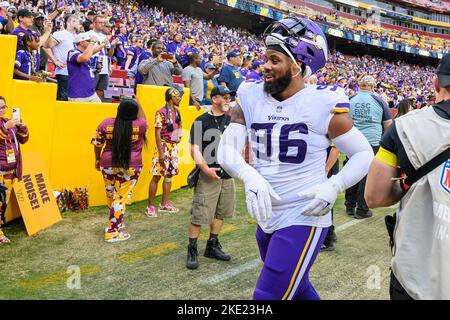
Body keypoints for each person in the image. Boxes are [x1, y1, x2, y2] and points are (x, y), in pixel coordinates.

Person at [217, 17, 373, 300]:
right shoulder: (251, 95)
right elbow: (226, 149)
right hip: (266, 213)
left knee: (267, 296)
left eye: (275, 59)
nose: (265, 65)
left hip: (304, 213)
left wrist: (334, 185)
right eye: (266, 57)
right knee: (298, 290)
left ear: (298, 66)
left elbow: (364, 153)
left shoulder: (322, 103)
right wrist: (249, 176)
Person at [365, 52, 450, 300]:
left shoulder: (404, 127)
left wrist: (408, 184)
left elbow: (374, 196)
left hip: (415, 275)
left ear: (437, 84)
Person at [187, 85, 235, 270]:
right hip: (208, 174)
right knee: (200, 214)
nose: (227, 99)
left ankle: (212, 245)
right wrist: (205, 169)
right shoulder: (201, 121)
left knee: (221, 211)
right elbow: (194, 149)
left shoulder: (232, 120)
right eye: (224, 97)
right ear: (214, 99)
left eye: (228, 97)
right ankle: (192, 249)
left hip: (227, 173)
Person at [91, 98, 147, 243]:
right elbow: (144, 118)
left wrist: (97, 159)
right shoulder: (140, 125)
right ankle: (112, 231)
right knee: (120, 197)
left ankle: (114, 222)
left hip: (107, 164)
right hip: (131, 166)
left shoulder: (106, 123)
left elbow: (97, 143)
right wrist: (138, 102)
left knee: (111, 194)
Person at [345, 75, 392, 219]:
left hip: (352, 141)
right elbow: (388, 125)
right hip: (372, 142)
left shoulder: (350, 99)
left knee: (351, 170)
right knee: (366, 175)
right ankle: (362, 209)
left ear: (360, 85)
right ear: (372, 87)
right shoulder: (380, 101)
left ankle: (350, 205)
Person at [146, 86, 183, 217]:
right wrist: (161, 152)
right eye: (177, 96)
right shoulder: (160, 112)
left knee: (169, 176)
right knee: (157, 176)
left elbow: (180, 126)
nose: (179, 98)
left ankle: (164, 204)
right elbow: (157, 132)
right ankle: (150, 206)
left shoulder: (177, 111)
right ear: (171, 97)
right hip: (163, 146)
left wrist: (178, 139)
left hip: (173, 147)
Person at [0, 96, 29, 244]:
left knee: (3, 202)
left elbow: (24, 139)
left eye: (4, 107)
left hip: (11, 170)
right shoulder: (5, 125)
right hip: (1, 170)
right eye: (0, 108)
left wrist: (22, 126)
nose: (2, 110)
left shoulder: (7, 122)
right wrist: (7, 127)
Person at [44, 14, 81, 101]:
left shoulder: (78, 36)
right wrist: (55, 61)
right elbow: (46, 46)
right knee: (63, 99)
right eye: (75, 20)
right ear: (68, 23)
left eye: (78, 21)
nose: (77, 22)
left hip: (75, 73)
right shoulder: (60, 34)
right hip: (63, 72)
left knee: (73, 99)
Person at [67, 32, 105, 102]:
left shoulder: (86, 54)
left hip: (91, 93)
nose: (90, 43)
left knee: (99, 112)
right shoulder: (72, 52)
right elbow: (84, 58)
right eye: (89, 41)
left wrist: (104, 43)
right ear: (81, 43)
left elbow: (93, 51)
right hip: (78, 94)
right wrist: (92, 42)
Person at [87, 15, 111, 102]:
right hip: (93, 66)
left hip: (104, 67)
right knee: (90, 90)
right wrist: (104, 43)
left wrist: (113, 46)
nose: (103, 24)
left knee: (101, 91)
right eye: (101, 22)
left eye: (103, 23)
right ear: (94, 23)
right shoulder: (88, 34)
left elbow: (109, 54)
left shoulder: (105, 36)